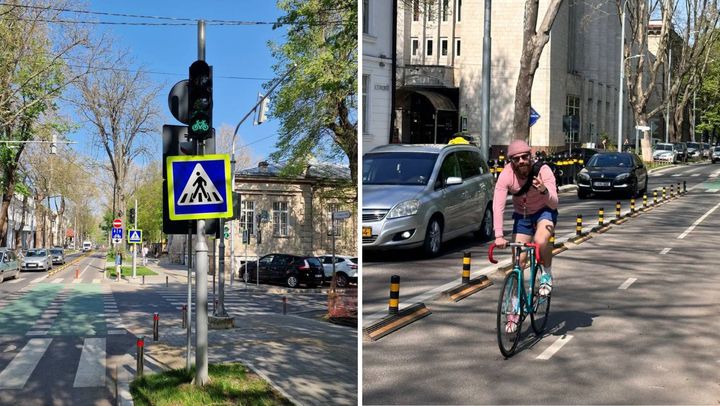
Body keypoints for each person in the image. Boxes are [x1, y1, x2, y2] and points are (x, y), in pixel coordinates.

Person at [492, 139, 559, 334]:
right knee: (518, 263)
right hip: (522, 217)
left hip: (545, 212)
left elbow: (555, 203)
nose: (522, 161)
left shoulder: (543, 170)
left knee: (540, 242)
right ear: (510, 161)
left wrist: (544, 190)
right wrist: (498, 235)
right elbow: (498, 205)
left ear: (530, 156)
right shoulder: (506, 175)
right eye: (516, 159)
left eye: (525, 157)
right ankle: (514, 308)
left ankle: (546, 274)